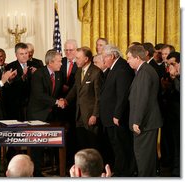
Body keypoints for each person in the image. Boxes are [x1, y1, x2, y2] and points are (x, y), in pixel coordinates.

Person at [99, 44, 136, 177]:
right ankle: (120, 171)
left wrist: (117, 115)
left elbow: (123, 95)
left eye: (104, 57)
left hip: (117, 118)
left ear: (112, 56)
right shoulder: (113, 68)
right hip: (110, 117)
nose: (103, 60)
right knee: (117, 147)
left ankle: (124, 173)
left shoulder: (122, 69)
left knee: (122, 147)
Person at [126, 45, 163, 177]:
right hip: (147, 122)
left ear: (137, 57)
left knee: (143, 159)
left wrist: (137, 121)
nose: (128, 61)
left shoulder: (145, 72)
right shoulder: (144, 70)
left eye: (129, 58)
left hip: (145, 124)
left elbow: (142, 99)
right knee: (146, 158)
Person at [27, 49, 63, 176]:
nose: (61, 64)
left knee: (53, 143)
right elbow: (39, 95)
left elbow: (57, 92)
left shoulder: (58, 74)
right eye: (59, 61)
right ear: (50, 62)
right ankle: (36, 173)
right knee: (37, 146)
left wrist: (62, 99)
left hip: (52, 115)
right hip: (37, 114)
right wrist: (56, 102)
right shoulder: (39, 74)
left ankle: (57, 169)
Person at [63, 46, 103, 152]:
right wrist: (66, 100)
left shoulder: (96, 72)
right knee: (82, 144)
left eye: (78, 58)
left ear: (86, 59)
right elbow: (75, 89)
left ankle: (94, 168)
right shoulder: (79, 71)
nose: (76, 60)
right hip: (79, 114)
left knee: (92, 144)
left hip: (90, 115)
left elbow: (99, 97)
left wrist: (95, 115)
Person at [59, 39, 78, 169]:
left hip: (75, 104)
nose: (68, 52)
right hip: (61, 105)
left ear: (76, 50)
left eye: (71, 50)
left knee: (74, 135)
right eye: (66, 50)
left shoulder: (81, 62)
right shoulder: (61, 62)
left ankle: (74, 161)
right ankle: (63, 163)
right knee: (62, 135)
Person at [3, 43, 33, 121]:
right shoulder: (10, 67)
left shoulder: (35, 64)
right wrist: (22, 77)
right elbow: (8, 88)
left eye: (26, 53)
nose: (24, 56)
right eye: (21, 54)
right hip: (17, 105)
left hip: (32, 104)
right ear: (16, 55)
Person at [164, 52, 180, 177]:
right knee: (175, 144)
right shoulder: (172, 77)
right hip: (173, 117)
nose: (170, 68)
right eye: (168, 65)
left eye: (173, 64)